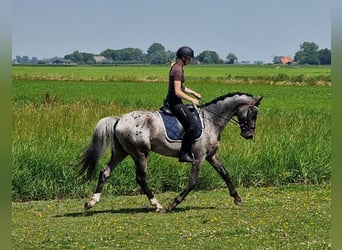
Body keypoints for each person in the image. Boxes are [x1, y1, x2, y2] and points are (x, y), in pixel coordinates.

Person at [164, 46, 202, 163]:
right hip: (174, 102)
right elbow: (177, 91)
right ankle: (184, 153)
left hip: (176, 101)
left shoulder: (178, 67)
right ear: (183, 58)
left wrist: (193, 92)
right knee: (192, 125)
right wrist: (192, 100)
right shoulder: (177, 70)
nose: (190, 61)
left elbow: (181, 86)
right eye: (189, 59)